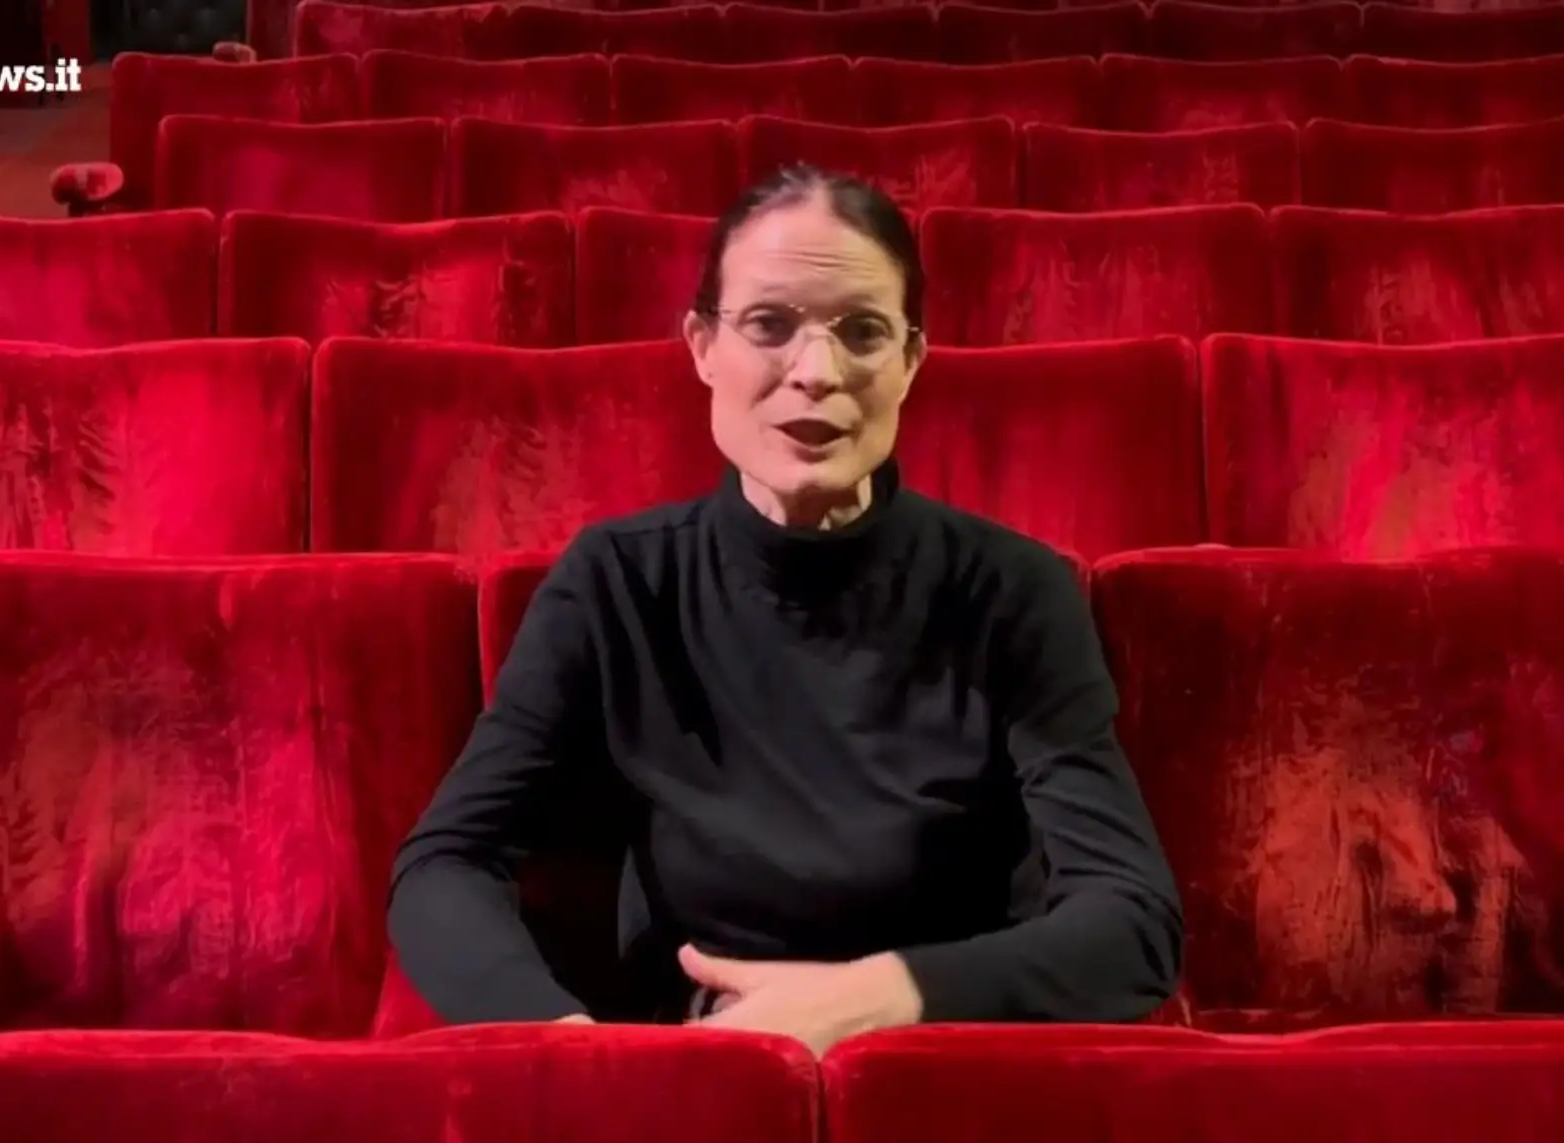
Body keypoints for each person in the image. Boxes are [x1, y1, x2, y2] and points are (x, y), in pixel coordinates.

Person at [386, 165, 1183, 1056]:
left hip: (943, 1061)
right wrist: (573, 1053)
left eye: (864, 332)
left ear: (912, 361)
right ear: (702, 346)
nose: (816, 372)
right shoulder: (618, 581)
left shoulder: (1013, 590)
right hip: (697, 1067)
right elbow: (444, 864)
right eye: (769, 325)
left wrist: (864, 1000)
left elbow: (1132, 920)